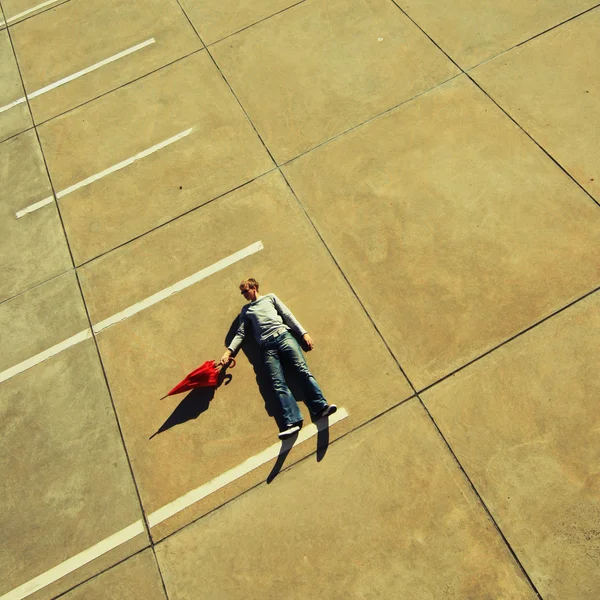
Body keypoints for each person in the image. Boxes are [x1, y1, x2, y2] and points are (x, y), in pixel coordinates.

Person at [220, 278, 336, 439]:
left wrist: (303, 333)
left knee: (302, 370)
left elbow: (287, 315)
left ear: (254, 288)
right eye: (242, 292)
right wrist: (228, 352)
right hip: (267, 347)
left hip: (284, 336)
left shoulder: (270, 298)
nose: (243, 294)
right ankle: (292, 423)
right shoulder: (246, 311)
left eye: (245, 291)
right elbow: (241, 333)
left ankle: (321, 407)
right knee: (277, 383)